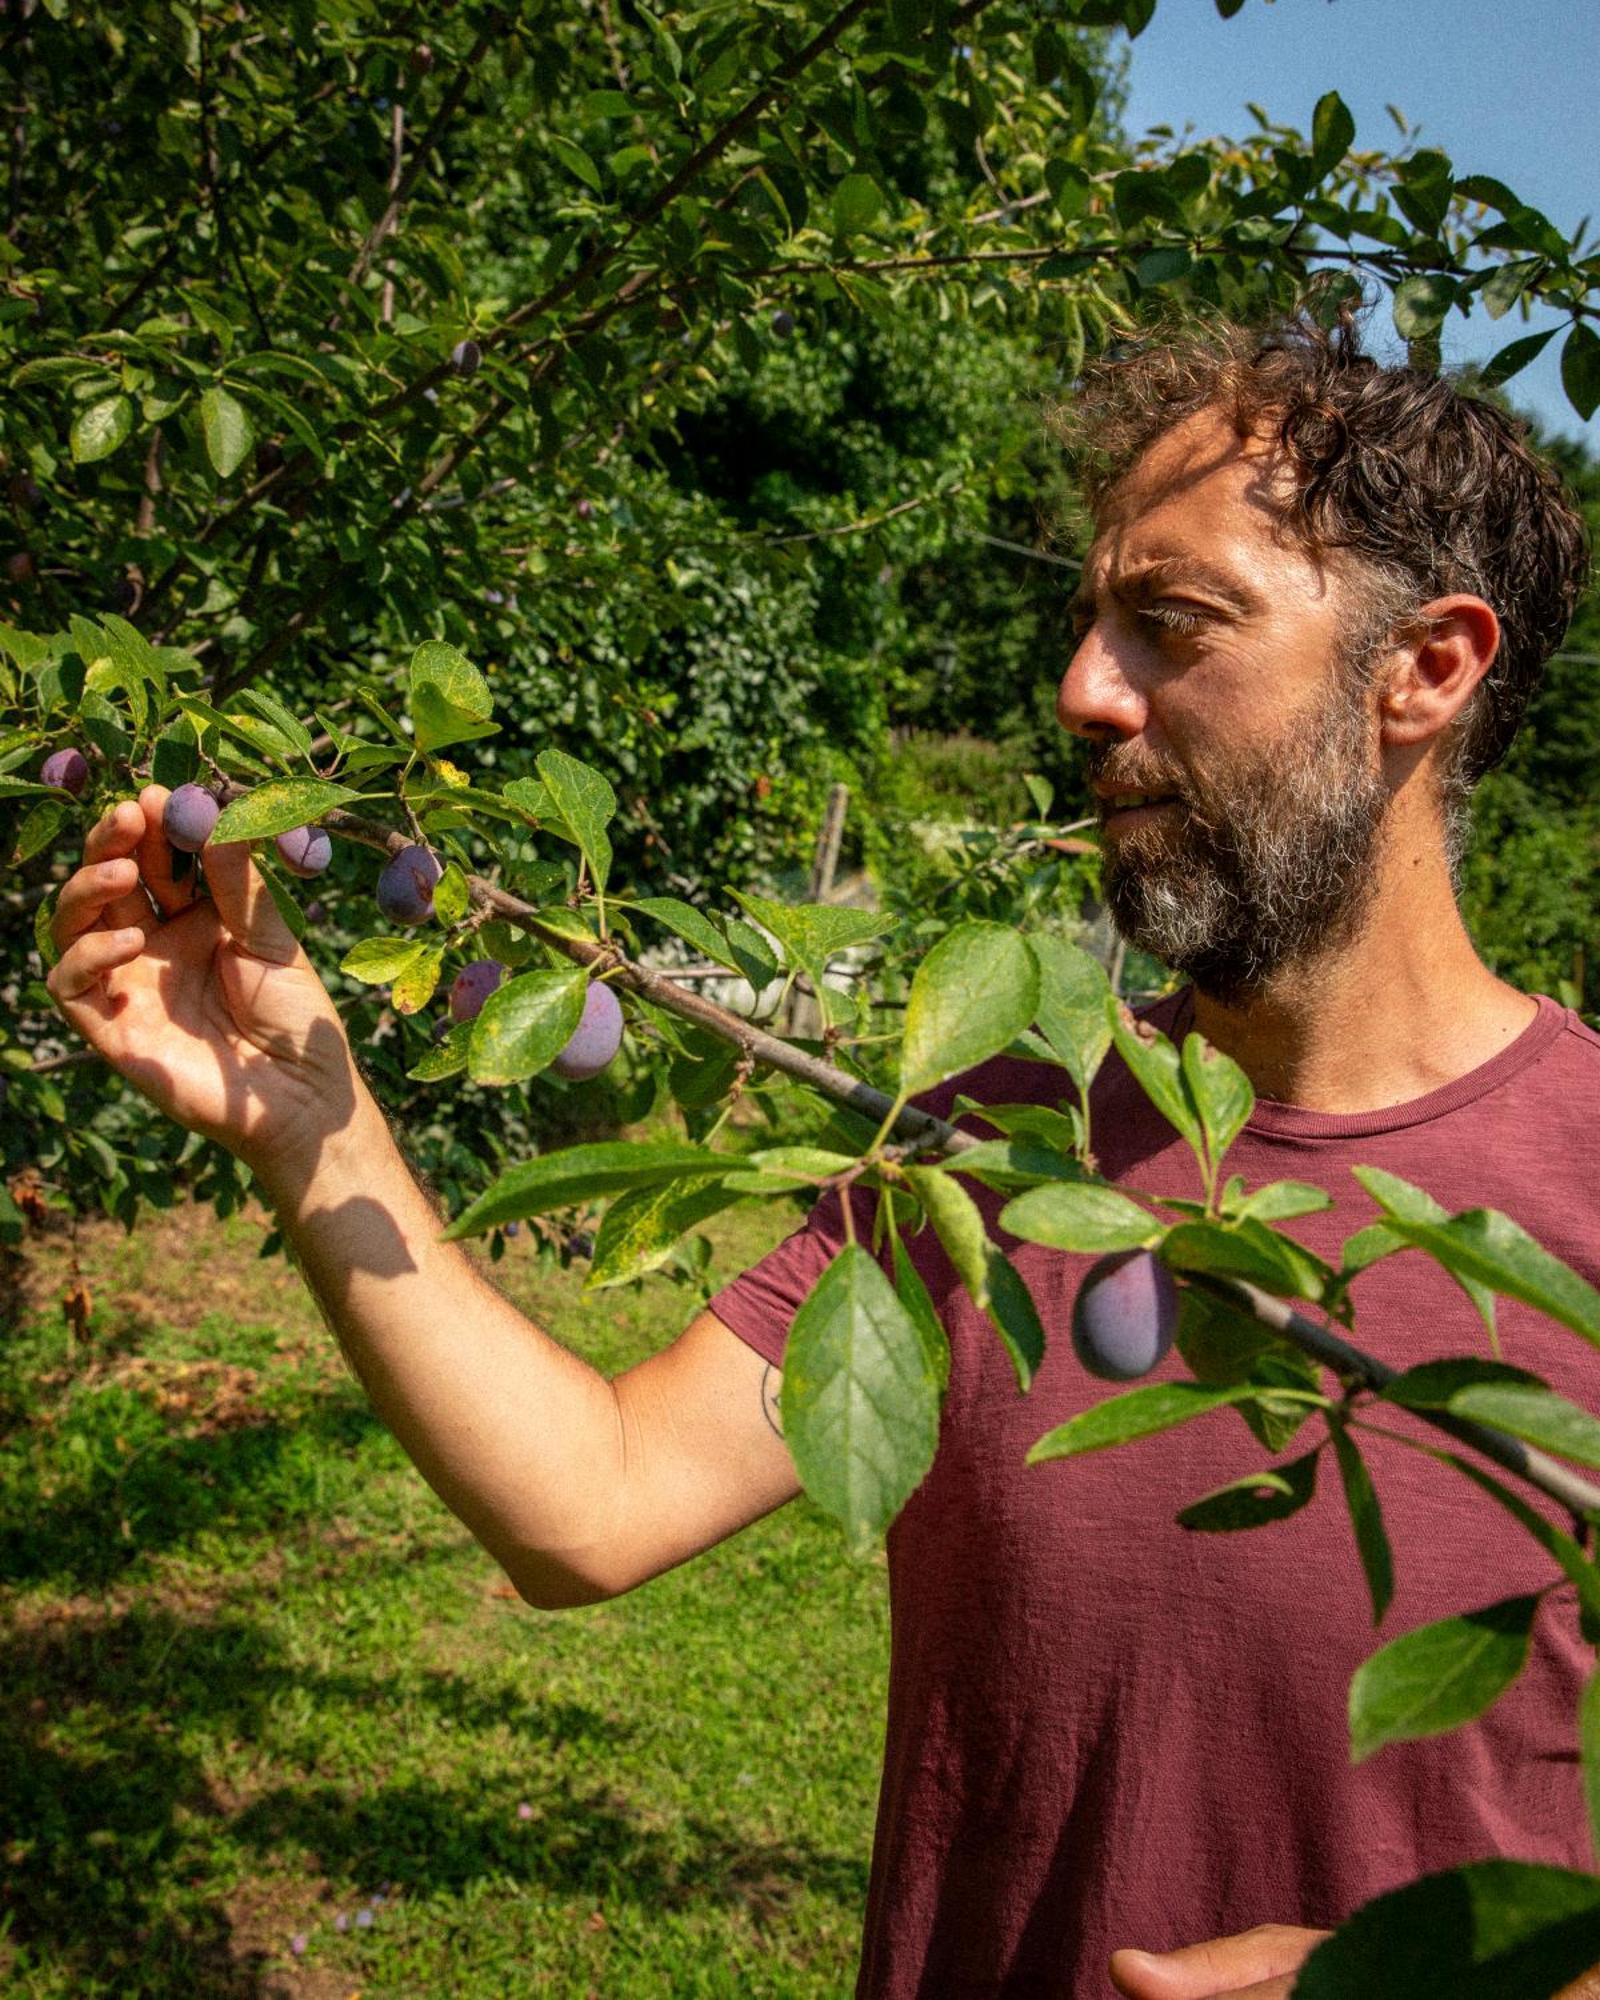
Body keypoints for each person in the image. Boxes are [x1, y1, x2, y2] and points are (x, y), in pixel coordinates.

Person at [46, 308, 1596, 1999]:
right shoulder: (1013, 1129)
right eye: (1090, 623)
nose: (1083, 689)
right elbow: (594, 1505)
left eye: (1173, 624)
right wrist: (305, 1113)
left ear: (1425, 669)